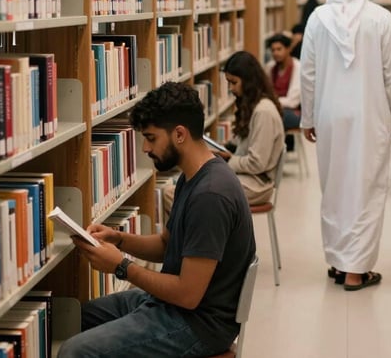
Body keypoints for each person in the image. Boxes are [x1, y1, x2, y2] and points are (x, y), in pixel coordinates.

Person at [58, 82, 255, 358]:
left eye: (151, 138)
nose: (144, 148)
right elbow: (167, 245)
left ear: (179, 135)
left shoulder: (211, 195)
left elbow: (188, 294)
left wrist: (121, 267)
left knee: (75, 351)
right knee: (71, 319)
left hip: (197, 324)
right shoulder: (193, 175)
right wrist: (119, 238)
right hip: (174, 307)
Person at [300, 0, 391, 291]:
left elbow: (308, 74)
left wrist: (308, 116)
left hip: (329, 116)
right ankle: (355, 270)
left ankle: (337, 260)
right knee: (367, 189)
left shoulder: (318, 18)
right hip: (370, 116)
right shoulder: (381, 19)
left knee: (334, 188)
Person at [220, 50, 285, 205]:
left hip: (257, 185)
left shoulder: (263, 112)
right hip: (248, 178)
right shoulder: (252, 105)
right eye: (228, 82)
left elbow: (257, 163)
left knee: (199, 194)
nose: (230, 88)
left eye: (234, 82)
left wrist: (229, 161)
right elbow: (244, 145)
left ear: (248, 81)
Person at [265, 32, 302, 151]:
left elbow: (293, 102)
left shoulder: (298, 67)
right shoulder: (270, 67)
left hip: (295, 112)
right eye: (273, 50)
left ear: (288, 49)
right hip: (275, 109)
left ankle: (268, 154)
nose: (275, 53)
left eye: (279, 49)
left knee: (269, 118)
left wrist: (272, 102)